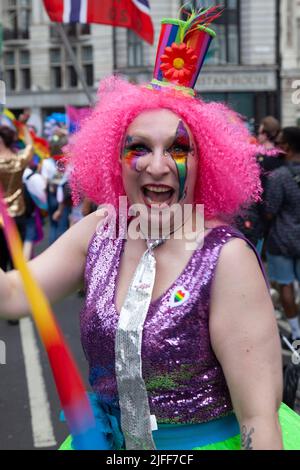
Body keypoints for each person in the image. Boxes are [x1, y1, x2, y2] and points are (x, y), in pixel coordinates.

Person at [0, 8, 300, 450]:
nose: (157, 166)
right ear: (114, 159)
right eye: (138, 147)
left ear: (205, 164)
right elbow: (14, 294)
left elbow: (260, 419)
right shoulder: (102, 228)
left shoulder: (225, 257)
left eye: (178, 149)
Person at [265, 127, 300, 343]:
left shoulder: (279, 176)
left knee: (285, 285)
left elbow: (270, 211)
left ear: (286, 146)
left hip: (282, 240)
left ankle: (296, 332)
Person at [0, 124, 33, 270]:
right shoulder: (19, 161)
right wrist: (24, 129)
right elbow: (30, 147)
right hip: (18, 215)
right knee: (16, 260)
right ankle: (16, 290)